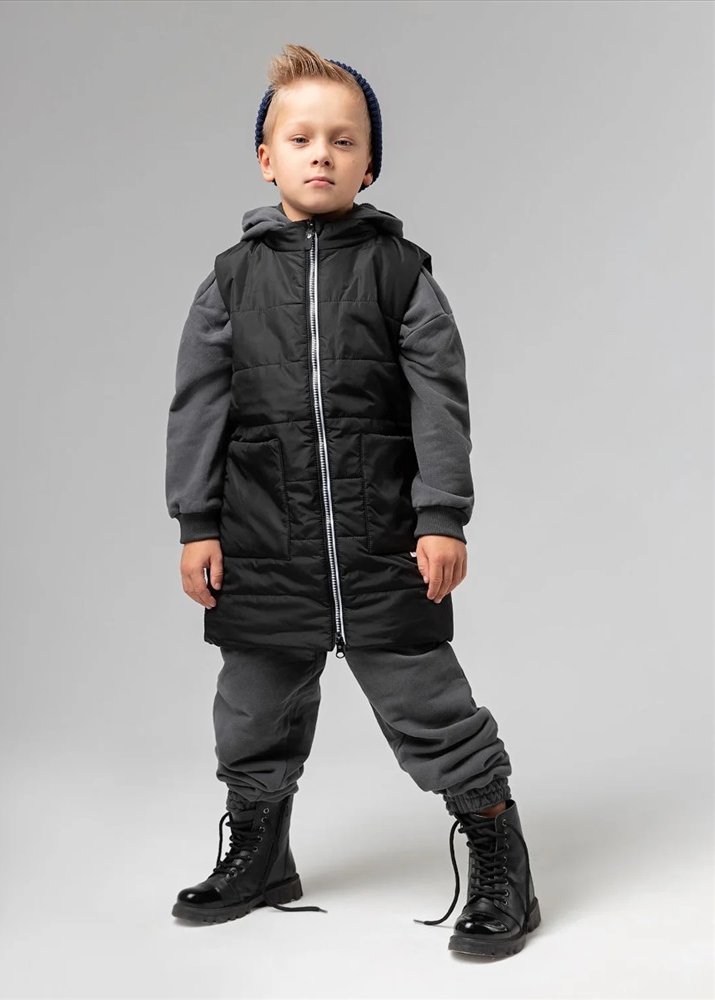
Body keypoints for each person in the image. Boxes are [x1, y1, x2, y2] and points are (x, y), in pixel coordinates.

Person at [164, 43, 540, 959]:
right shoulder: (230, 280)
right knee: (252, 710)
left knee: (429, 707)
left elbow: (440, 402)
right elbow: (199, 407)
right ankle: (260, 855)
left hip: (384, 541)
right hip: (263, 539)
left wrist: (442, 515)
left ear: (370, 162)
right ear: (267, 157)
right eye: (301, 139)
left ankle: (500, 854)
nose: (322, 154)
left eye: (344, 140)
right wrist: (196, 524)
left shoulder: (401, 273)